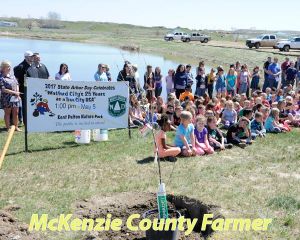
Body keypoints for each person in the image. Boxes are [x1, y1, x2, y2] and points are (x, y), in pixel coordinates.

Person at [0, 61, 22, 131]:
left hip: (15, 97)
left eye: (10, 66)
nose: (9, 68)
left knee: (16, 112)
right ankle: (8, 127)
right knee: (7, 113)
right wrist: (14, 92)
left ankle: (16, 126)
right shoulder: (1, 77)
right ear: (3, 68)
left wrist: (17, 92)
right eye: (7, 66)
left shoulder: (12, 76)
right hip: (6, 98)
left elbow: (17, 84)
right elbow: (3, 89)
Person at [13, 50, 34, 125]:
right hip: (23, 90)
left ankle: (31, 121)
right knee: (25, 107)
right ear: (26, 57)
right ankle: (26, 122)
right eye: (31, 56)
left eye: (33, 56)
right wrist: (16, 92)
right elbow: (16, 81)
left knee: (32, 106)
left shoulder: (32, 65)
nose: (32, 58)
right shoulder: (20, 67)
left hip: (32, 90)